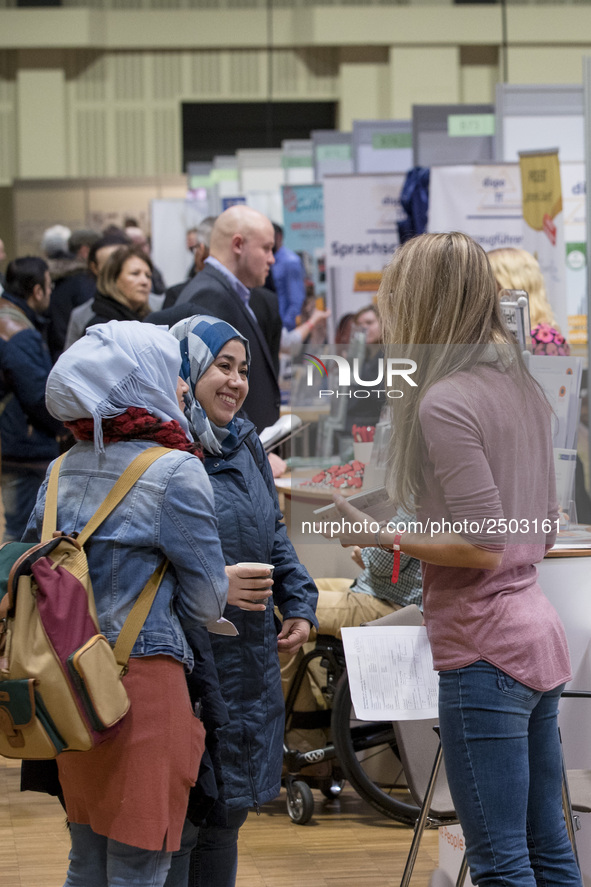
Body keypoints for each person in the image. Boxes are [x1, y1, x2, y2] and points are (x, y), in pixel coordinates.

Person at [330, 232, 582, 887]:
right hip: (534, 636)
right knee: (547, 845)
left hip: (484, 648)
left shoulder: (445, 400)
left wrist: (387, 537)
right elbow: (537, 533)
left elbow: (481, 543)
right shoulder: (521, 387)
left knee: (499, 857)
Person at [23, 320, 229, 887]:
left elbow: (34, 566)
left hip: (70, 683)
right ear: (144, 381)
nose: (183, 387)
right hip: (142, 682)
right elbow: (209, 599)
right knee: (142, 862)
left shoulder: (60, 468)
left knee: (85, 856)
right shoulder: (176, 471)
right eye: (172, 371)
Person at [165, 314, 318, 887]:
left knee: (227, 814)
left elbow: (273, 533)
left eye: (243, 370)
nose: (235, 381)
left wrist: (299, 602)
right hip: (186, 660)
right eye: (221, 366)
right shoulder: (164, 449)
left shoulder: (244, 439)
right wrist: (212, 581)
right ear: (185, 368)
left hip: (247, 660)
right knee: (179, 822)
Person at [148, 206, 281, 434]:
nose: (272, 259)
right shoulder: (210, 295)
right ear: (238, 245)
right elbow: (210, 393)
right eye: (266, 248)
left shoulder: (228, 292)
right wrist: (249, 446)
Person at [0, 256, 62, 541]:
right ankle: (13, 587)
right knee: (23, 536)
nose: (51, 294)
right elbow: (36, 394)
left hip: (14, 441)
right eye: (49, 287)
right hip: (24, 446)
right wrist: (63, 425)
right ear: (37, 291)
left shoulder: (9, 318)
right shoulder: (19, 333)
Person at [487, 247, 570, 355]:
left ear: (505, 285)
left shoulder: (546, 340)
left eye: (487, 280)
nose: (481, 288)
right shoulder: (491, 335)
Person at [63, 231, 132, 350]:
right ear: (94, 267)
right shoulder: (82, 315)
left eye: (124, 264)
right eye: (110, 264)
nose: (116, 270)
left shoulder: (155, 306)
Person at [46, 228, 100, 360]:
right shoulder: (83, 279)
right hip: (75, 352)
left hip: (57, 350)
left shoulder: (56, 275)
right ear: (85, 250)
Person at [84, 244, 153, 330]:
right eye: (135, 273)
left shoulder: (150, 320)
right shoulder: (101, 327)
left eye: (148, 276)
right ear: (113, 278)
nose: (144, 282)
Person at [269, 222, 306, 331]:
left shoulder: (290, 262)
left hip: (283, 326)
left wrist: (285, 327)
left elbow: (296, 299)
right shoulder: (271, 259)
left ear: (278, 237)